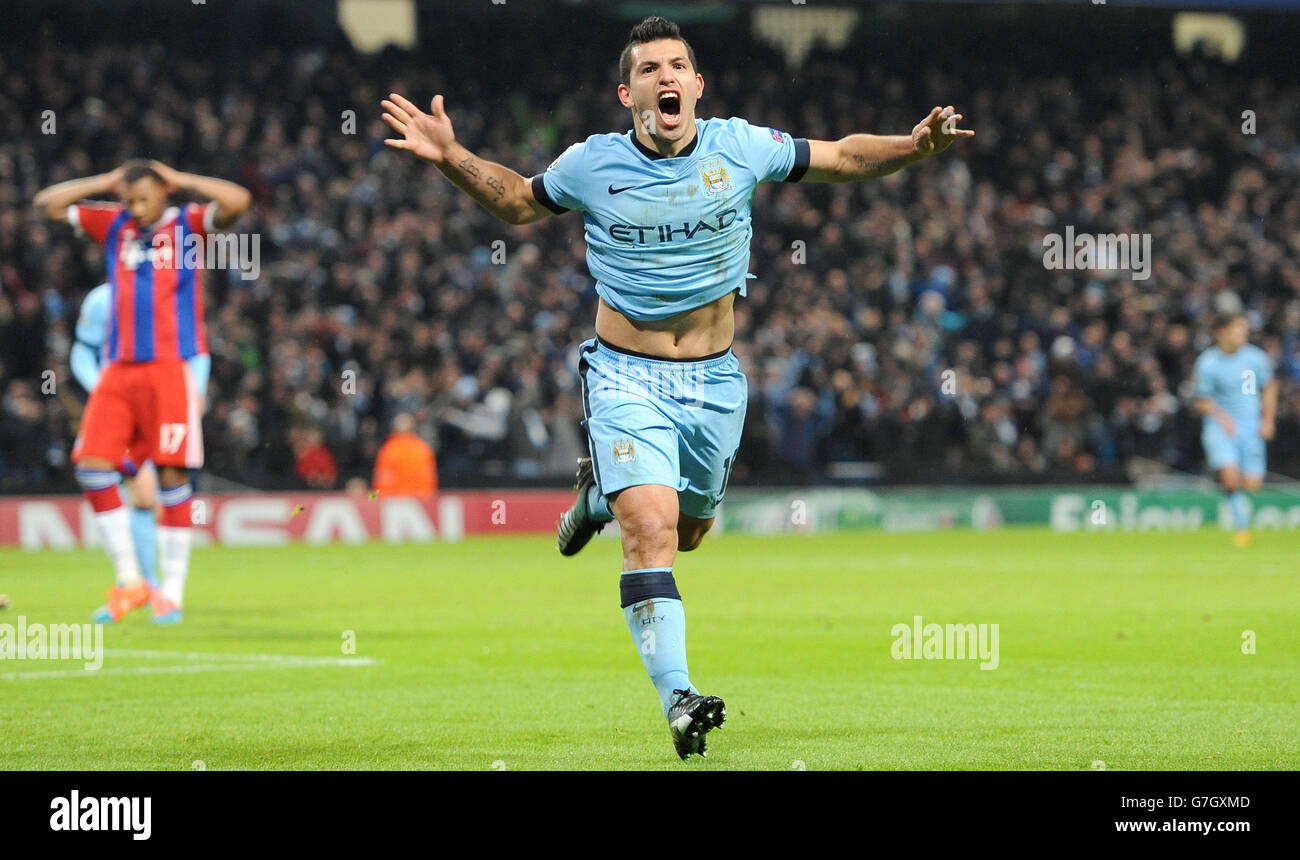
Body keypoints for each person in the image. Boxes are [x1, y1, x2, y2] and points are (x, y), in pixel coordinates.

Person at [381, 16, 972, 759]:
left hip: (715, 382)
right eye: (651, 68)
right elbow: (518, 202)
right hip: (626, 375)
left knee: (689, 534)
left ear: (697, 86)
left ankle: (597, 494)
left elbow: (845, 158)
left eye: (678, 66)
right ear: (627, 92)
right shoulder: (592, 164)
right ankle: (680, 699)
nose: (666, 77)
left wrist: (915, 147)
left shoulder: (741, 146)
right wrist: (450, 156)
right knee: (651, 531)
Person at [34, 159, 250, 623]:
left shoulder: (188, 226)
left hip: (169, 371)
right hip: (118, 370)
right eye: (128, 200)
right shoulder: (115, 225)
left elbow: (238, 200)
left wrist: (183, 178)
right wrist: (104, 183)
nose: (134, 207)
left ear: (164, 192)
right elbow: (46, 206)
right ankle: (130, 582)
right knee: (91, 467)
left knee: (172, 479)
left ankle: (169, 593)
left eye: (143, 198)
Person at [70, 282, 212, 623]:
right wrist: (100, 388)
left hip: (165, 395)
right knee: (104, 474)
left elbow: (197, 350)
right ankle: (137, 585)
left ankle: (163, 593)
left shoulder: (174, 293)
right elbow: (82, 349)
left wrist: (197, 391)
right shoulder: (102, 299)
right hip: (119, 397)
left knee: (153, 490)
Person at [1193, 312, 1278, 547]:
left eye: (1244, 330)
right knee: (1230, 477)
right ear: (1221, 332)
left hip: (1251, 427)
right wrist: (1221, 416)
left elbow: (1269, 386)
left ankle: (1240, 508)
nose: (1243, 334)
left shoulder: (1256, 358)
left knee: (1252, 484)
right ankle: (1242, 528)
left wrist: (1268, 420)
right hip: (1220, 427)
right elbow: (1202, 400)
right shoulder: (1207, 362)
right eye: (1238, 329)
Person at [372, 413, 437, 496]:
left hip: (394, 502)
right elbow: (428, 480)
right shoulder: (423, 449)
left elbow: (381, 482)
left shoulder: (389, 450)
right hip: (418, 501)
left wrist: (373, 498)